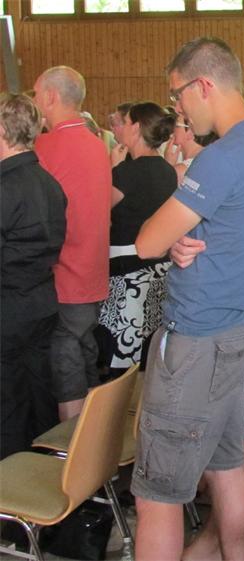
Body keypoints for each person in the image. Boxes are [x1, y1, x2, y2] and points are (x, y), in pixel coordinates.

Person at [131, 37, 244, 561]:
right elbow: (226, 230)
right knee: (226, 469)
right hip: (237, 330)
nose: (178, 109)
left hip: (198, 340)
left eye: (177, 95)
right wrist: (183, 238)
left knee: (157, 495)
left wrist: (167, 235)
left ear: (203, 85)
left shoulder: (220, 158)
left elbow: (145, 242)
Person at [32, 65, 112, 421]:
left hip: (64, 271)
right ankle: (93, 434)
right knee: (84, 347)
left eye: (36, 94)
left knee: (63, 351)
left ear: (50, 97)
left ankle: (70, 441)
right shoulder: (96, 144)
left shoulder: (46, 145)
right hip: (93, 269)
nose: (35, 101)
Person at [0, 93, 67, 459]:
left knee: (9, 403)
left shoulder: (5, 187)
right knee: (40, 394)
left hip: (8, 308)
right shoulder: (49, 183)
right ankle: (41, 468)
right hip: (42, 302)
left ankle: (11, 483)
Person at [97, 102, 177, 375]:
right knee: (149, 350)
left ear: (136, 128)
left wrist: (113, 170)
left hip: (127, 273)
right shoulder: (167, 170)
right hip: (159, 270)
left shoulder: (126, 173)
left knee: (122, 353)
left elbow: (99, 213)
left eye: (126, 122)